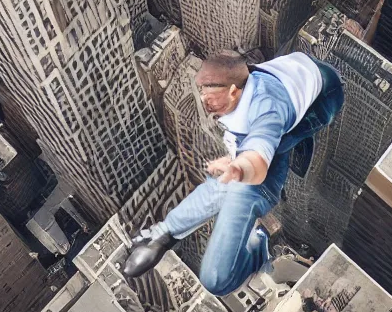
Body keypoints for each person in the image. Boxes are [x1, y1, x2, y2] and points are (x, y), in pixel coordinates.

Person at [124, 49, 344, 296]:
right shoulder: (241, 97)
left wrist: (240, 166)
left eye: (212, 97)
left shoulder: (267, 112)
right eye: (203, 93)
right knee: (244, 170)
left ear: (233, 91)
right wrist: (167, 233)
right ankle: (167, 232)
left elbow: (257, 158)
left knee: (216, 278)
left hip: (327, 93)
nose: (205, 105)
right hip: (297, 72)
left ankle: (257, 249)